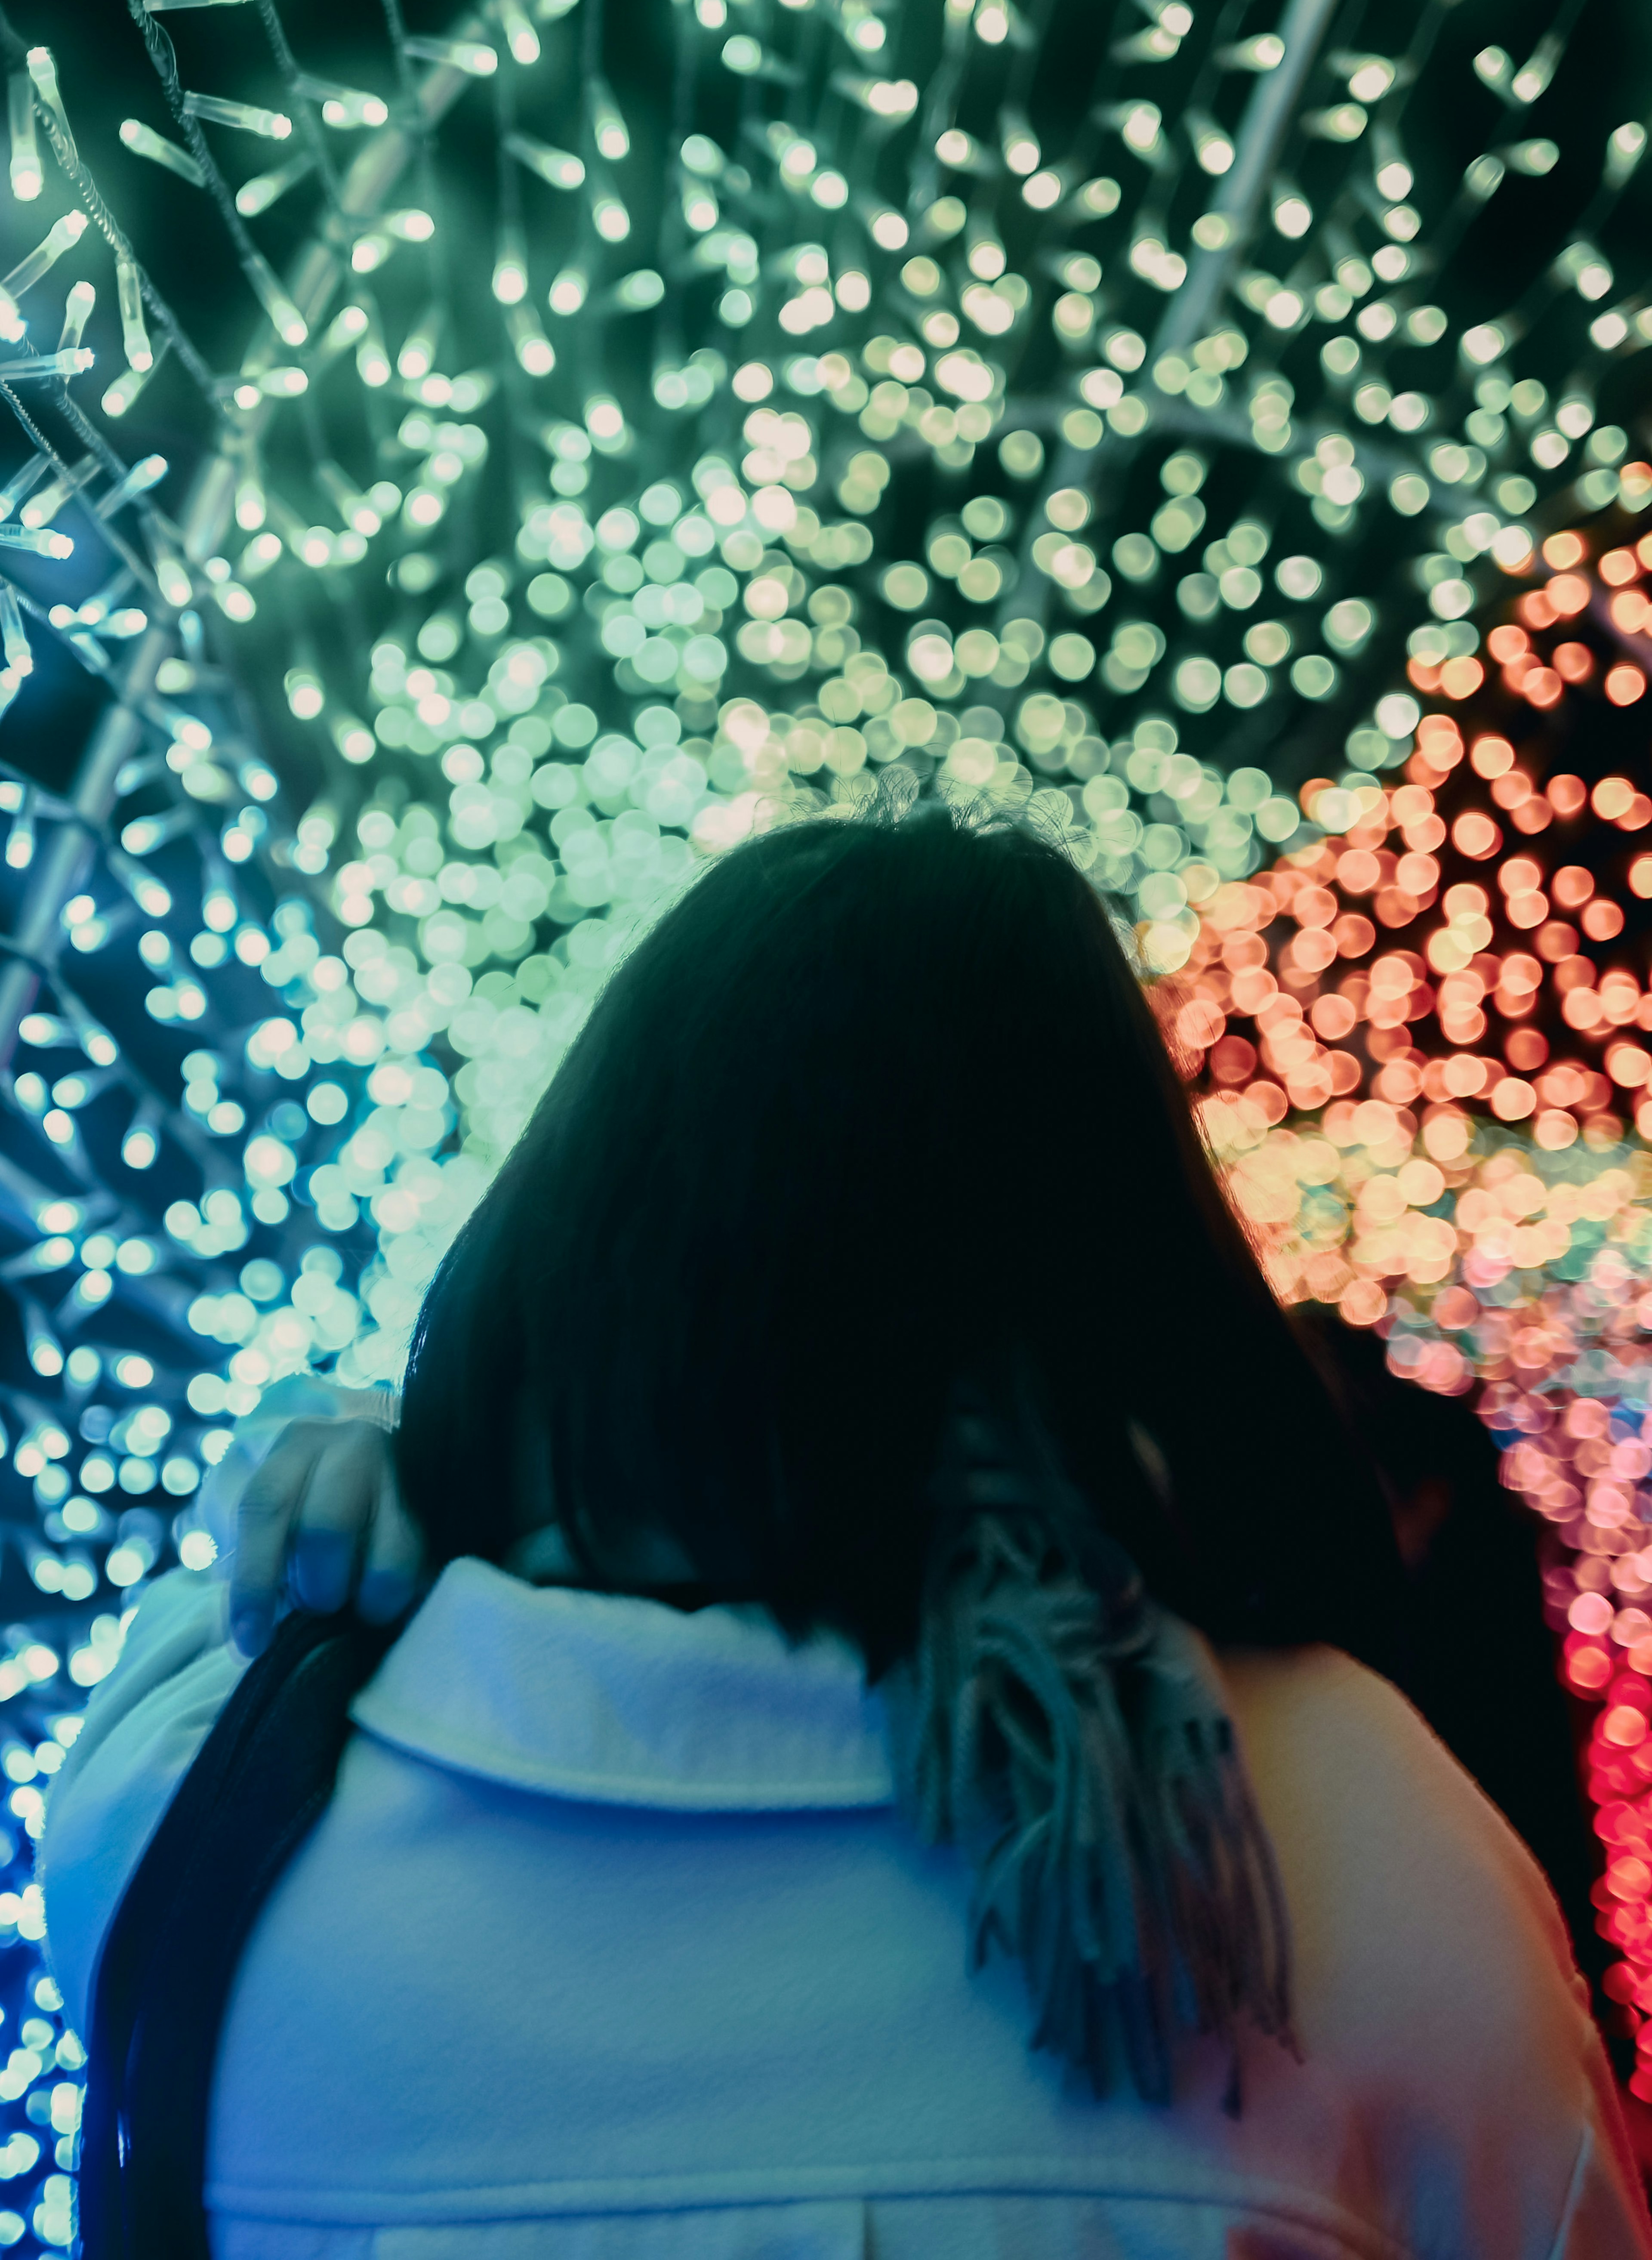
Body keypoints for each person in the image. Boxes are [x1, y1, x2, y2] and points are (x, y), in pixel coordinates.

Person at [39, 793, 1652, 2259]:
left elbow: (206, 1660)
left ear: (579, 1234)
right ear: (1134, 1272)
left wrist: (390, 1464)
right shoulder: (1369, 1860)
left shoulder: (217, 1809)